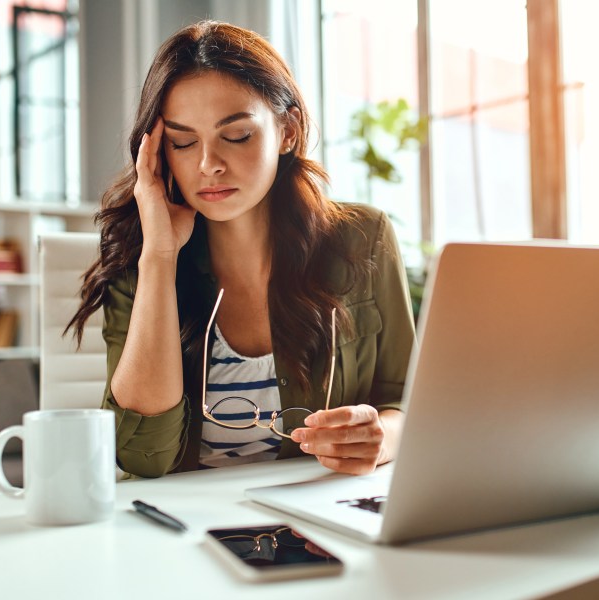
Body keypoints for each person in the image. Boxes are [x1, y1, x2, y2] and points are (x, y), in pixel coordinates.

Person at [67, 20, 415, 478]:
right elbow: (142, 455)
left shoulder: (362, 238)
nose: (209, 164)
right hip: (182, 530)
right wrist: (159, 257)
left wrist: (381, 437)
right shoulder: (141, 258)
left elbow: (409, 401)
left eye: (236, 135)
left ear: (287, 130)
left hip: (315, 519)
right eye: (183, 142)